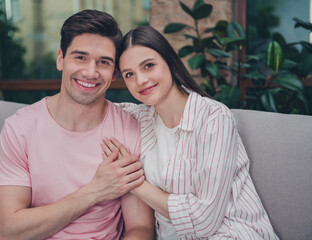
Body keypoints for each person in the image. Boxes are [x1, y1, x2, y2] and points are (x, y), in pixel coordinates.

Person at [102, 26, 279, 239]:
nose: (140, 80)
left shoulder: (214, 118)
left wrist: (133, 182)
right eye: (129, 74)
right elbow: (92, 109)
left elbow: (205, 221)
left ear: (169, 61)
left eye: (148, 66)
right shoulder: (138, 118)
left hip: (230, 233)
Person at [0, 10, 155, 240]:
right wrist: (95, 191)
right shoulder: (19, 129)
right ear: (61, 59)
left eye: (103, 62)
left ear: (114, 73)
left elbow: (140, 229)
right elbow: (7, 231)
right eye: (80, 57)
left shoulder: (130, 129)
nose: (90, 72)